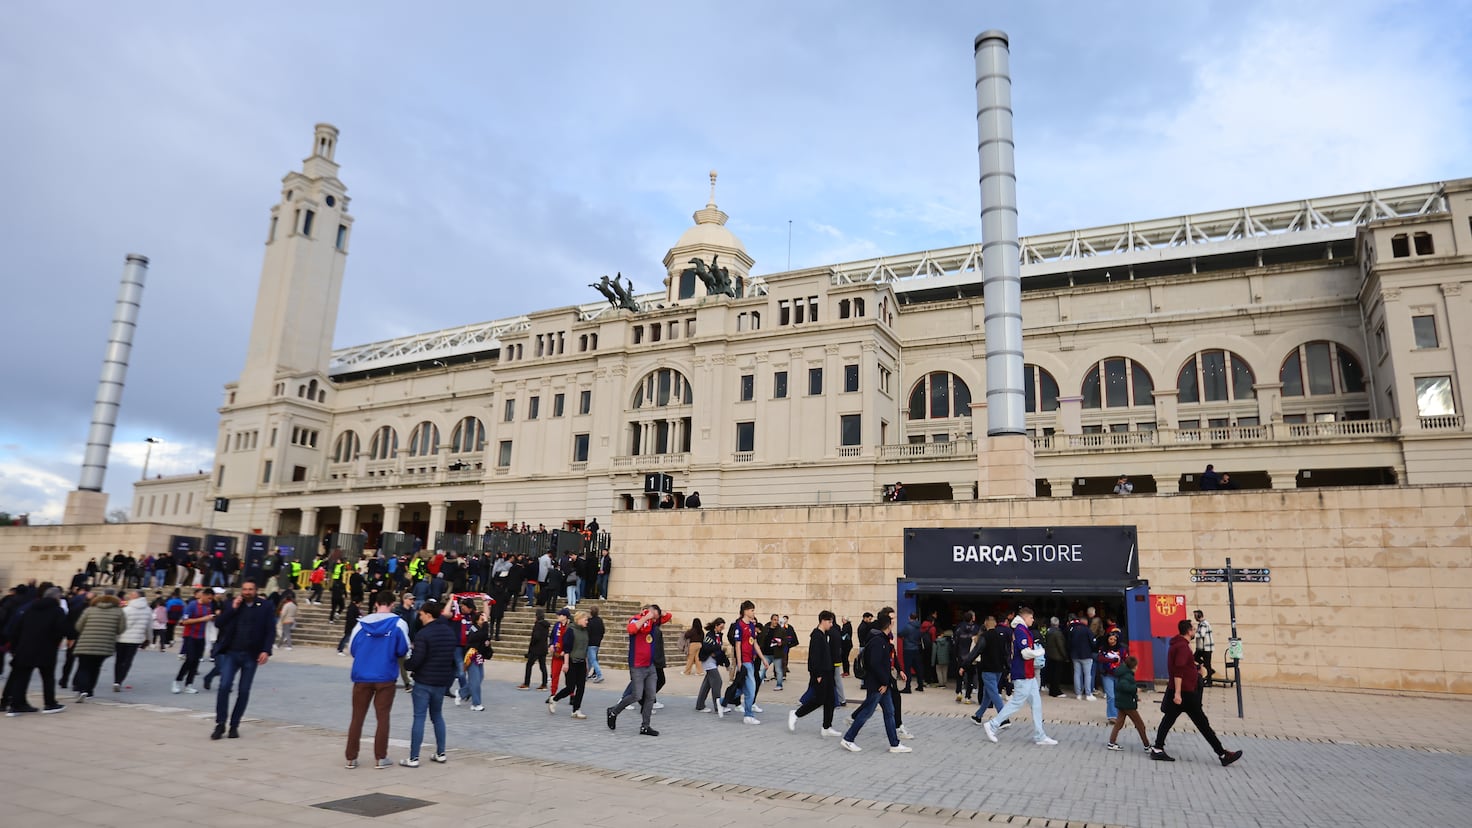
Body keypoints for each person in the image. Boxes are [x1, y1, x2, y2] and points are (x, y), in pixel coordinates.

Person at [1152, 618, 1243, 766]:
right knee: (1203, 724)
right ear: (1189, 631)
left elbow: (1181, 666)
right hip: (1185, 693)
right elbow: (1178, 671)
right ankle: (1222, 754)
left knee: (1169, 720)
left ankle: (1157, 748)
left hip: (1182, 691)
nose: (1195, 631)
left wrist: (1193, 669)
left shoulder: (1178, 644)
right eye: (1193, 629)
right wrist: (1178, 693)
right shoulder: (1182, 647)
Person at [345, 592, 411, 769]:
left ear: (376, 604)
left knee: (357, 717)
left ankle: (351, 758)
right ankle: (380, 757)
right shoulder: (399, 623)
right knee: (383, 717)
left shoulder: (361, 624)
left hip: (362, 675)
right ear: (392, 603)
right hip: (385, 675)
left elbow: (352, 649)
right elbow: (403, 650)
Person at [981, 606, 1057, 746]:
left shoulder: (1021, 630)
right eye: (1031, 617)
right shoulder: (1021, 630)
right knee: (1017, 702)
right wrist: (1039, 653)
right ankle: (993, 724)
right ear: (1025, 617)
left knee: (1036, 703)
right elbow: (1025, 653)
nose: (1033, 620)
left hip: (1027, 673)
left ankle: (1040, 735)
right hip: (1023, 673)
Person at [211, 580, 275, 740]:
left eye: (250, 589)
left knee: (244, 691)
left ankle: (234, 725)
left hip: (251, 655)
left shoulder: (265, 606)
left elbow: (270, 630)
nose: (247, 592)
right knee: (224, 686)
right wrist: (232, 609)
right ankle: (220, 724)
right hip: (232, 653)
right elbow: (219, 623)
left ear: (256, 590)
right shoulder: (232, 604)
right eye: (245, 589)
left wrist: (266, 650)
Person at [839, 611, 909, 753]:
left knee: (890, 712)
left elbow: (887, 661)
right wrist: (884, 682)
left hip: (884, 684)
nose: (894, 623)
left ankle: (894, 744)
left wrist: (891, 677)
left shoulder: (883, 640)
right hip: (877, 685)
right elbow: (875, 664)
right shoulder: (878, 641)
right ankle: (848, 739)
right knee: (866, 712)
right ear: (888, 625)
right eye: (892, 621)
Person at [402, 600, 456, 766]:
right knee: (437, 717)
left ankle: (414, 757)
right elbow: (452, 659)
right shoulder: (449, 632)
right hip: (440, 682)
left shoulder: (423, 634)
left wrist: (406, 664)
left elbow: (417, 659)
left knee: (419, 717)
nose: (420, 617)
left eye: (421, 615)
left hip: (423, 681)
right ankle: (441, 752)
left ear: (428, 614)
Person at [606, 604, 671, 736]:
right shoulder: (636, 619)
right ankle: (614, 711)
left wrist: (660, 614)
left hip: (650, 665)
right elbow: (631, 629)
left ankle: (645, 726)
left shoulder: (653, 623)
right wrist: (646, 616)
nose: (654, 620)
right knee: (637, 695)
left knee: (651, 696)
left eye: (655, 617)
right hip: (637, 665)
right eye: (653, 616)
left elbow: (668, 617)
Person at [788, 611, 839, 737]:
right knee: (819, 699)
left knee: (830, 700)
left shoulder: (824, 635)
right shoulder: (816, 636)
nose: (831, 624)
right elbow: (814, 657)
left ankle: (826, 727)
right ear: (823, 621)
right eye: (830, 622)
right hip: (821, 673)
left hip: (828, 672)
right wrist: (818, 674)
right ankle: (796, 714)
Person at [72, 593, 125, 701]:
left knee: (83, 667)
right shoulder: (119, 612)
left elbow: (78, 626)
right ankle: (90, 691)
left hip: (85, 643)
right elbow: (121, 629)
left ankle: (82, 690)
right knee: (95, 668)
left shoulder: (89, 610)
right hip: (104, 645)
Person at [727, 600, 769, 724]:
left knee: (743, 689)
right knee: (751, 688)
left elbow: (754, 643)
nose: (753, 612)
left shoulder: (751, 625)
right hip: (744, 660)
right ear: (745, 611)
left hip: (750, 659)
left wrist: (762, 658)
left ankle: (723, 700)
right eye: (752, 610)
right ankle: (748, 715)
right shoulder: (739, 625)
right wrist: (739, 662)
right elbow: (737, 645)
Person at [172, 588, 216, 694]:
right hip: (190, 636)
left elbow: (207, 619)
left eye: (211, 599)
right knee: (190, 659)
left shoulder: (208, 607)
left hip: (201, 636)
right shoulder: (192, 605)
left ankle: (189, 684)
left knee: (196, 661)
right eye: (209, 598)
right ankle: (177, 681)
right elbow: (185, 621)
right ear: (203, 595)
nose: (210, 601)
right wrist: (203, 619)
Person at [548, 609, 590, 718]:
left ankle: (576, 710)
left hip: (581, 662)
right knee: (570, 687)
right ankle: (555, 699)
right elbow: (567, 648)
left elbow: (585, 648)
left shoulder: (585, 631)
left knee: (581, 687)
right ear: (579, 619)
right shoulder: (571, 630)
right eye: (585, 620)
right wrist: (566, 663)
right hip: (571, 661)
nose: (587, 622)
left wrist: (586, 663)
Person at [1107, 656, 1151, 752]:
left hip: (1122, 702)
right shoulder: (1128, 676)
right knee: (1140, 724)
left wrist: (1135, 697)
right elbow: (1124, 687)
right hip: (1128, 704)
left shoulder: (1124, 673)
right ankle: (1147, 745)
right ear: (1134, 666)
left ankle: (1111, 742)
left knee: (1119, 723)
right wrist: (1136, 690)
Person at [113, 589, 152, 692]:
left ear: (136, 596)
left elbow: (118, 624)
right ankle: (119, 680)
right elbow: (149, 626)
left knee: (119, 660)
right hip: (135, 639)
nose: (129, 596)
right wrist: (148, 639)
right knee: (128, 661)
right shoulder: (147, 609)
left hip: (122, 638)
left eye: (132, 594)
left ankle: (116, 680)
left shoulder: (127, 609)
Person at [694, 618, 728, 715]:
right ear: (716, 626)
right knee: (717, 681)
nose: (722, 629)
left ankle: (699, 705)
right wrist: (715, 649)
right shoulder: (709, 635)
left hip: (713, 661)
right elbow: (706, 647)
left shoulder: (719, 635)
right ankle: (718, 706)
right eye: (721, 627)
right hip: (708, 660)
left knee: (707, 684)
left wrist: (725, 662)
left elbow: (719, 650)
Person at [1097, 630, 1125, 723]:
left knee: (1118, 696)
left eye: (1114, 639)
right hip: (1107, 674)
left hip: (1119, 675)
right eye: (1110, 639)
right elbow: (1100, 659)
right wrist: (1112, 660)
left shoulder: (1122, 650)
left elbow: (1125, 661)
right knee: (1111, 696)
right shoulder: (1103, 649)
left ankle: (1119, 715)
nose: (1112, 641)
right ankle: (1112, 716)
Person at [518, 609, 550, 690]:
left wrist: (531, 645)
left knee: (529, 665)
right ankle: (544, 683)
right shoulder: (546, 625)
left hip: (536, 649)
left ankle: (526, 683)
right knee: (542, 666)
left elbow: (536, 637)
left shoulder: (538, 625)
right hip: (543, 648)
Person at [1068, 615, 1096, 701]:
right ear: (1086, 622)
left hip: (1075, 655)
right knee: (1087, 675)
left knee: (1077, 674)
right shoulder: (1087, 630)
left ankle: (1078, 694)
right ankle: (1088, 694)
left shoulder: (1072, 630)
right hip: (1086, 655)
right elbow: (1093, 643)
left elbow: (1069, 642)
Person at [899, 613, 924, 692]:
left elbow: (900, 634)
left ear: (909, 618)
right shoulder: (919, 627)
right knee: (918, 668)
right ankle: (920, 685)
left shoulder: (908, 627)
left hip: (908, 649)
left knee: (907, 668)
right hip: (916, 649)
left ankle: (907, 687)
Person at [1044, 616, 1068, 697]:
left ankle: (1052, 690)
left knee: (1052, 674)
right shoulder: (1057, 633)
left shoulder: (1049, 631)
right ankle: (1056, 691)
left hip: (1050, 655)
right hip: (1057, 656)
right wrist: (1065, 656)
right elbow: (1060, 645)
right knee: (1057, 675)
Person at [1193, 609, 1217, 685]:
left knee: (1207, 663)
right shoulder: (1201, 623)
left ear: (1198, 616)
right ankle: (1210, 670)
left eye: (1195, 616)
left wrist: (1192, 635)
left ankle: (1209, 681)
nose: (1195, 617)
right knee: (1195, 658)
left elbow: (1201, 634)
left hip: (1206, 648)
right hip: (1201, 648)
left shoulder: (1203, 624)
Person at [586, 605, 606, 683]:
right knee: (591, 660)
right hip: (597, 643)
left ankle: (599, 675)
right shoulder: (600, 620)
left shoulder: (590, 621)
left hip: (591, 643)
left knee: (593, 660)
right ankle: (585, 675)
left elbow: (588, 632)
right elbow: (603, 631)